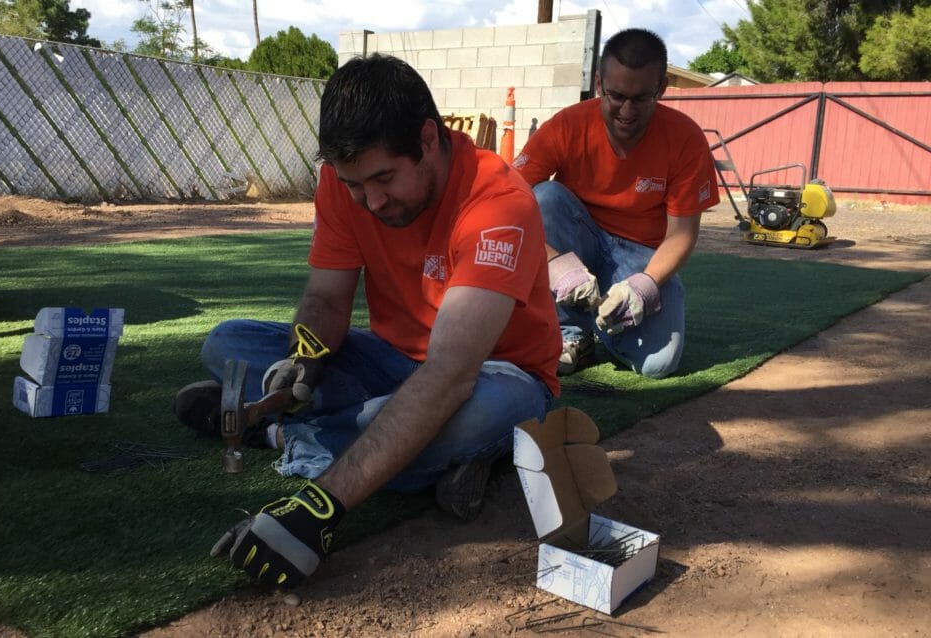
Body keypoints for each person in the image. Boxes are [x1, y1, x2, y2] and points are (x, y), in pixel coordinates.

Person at [175, 54, 561, 587]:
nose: (371, 200)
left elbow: (451, 373)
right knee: (227, 343)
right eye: (355, 184)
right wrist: (305, 357)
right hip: (390, 359)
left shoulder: (499, 204)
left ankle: (281, 436)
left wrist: (322, 506)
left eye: (383, 178)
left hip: (498, 376)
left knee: (479, 413)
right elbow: (327, 300)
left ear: (428, 138)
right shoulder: (344, 181)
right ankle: (428, 459)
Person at [513, 28, 718, 379]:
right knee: (543, 197)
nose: (626, 111)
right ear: (598, 83)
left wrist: (647, 285)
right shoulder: (568, 125)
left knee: (658, 365)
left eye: (640, 99)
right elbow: (506, 198)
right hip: (577, 238)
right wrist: (555, 264)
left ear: (662, 88)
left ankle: (604, 321)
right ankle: (569, 333)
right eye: (616, 96)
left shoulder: (685, 139)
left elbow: (682, 235)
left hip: (640, 256)